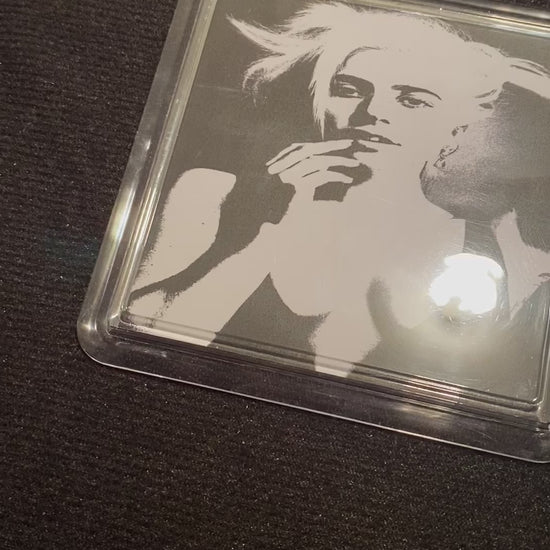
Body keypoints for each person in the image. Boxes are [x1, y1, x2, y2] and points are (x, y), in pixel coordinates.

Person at [128, 2, 550, 390]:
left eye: (413, 100)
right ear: (319, 102)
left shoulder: (491, 251)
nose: (373, 112)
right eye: (349, 90)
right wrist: (273, 227)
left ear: (453, 130)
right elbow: (142, 337)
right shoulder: (211, 192)